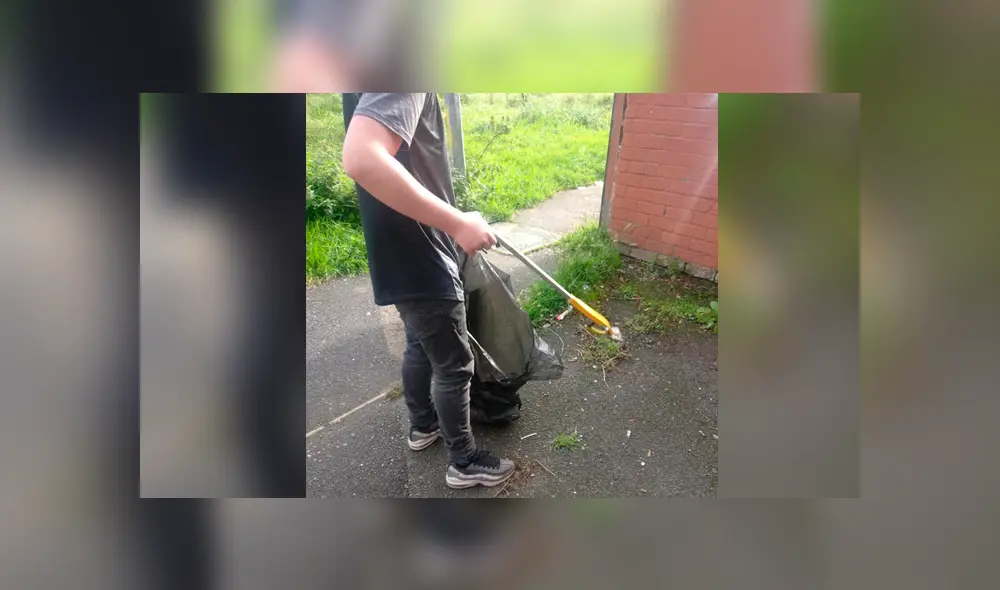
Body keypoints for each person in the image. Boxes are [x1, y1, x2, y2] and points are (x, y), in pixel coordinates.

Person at [340, 93, 516, 489]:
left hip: (398, 252)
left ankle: (423, 426)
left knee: (421, 345)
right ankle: (464, 462)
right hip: (422, 253)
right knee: (455, 364)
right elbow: (362, 157)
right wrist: (456, 223)